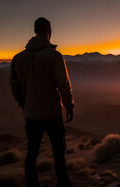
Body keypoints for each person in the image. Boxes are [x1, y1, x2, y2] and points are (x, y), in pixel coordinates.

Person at [10, 17, 75, 187]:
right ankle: (63, 183)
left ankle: (32, 184)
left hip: (31, 113)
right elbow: (63, 84)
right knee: (58, 151)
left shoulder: (18, 59)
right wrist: (69, 105)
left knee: (32, 152)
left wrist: (24, 105)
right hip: (52, 112)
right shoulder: (53, 56)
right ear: (49, 31)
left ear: (34, 31)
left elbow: (14, 87)